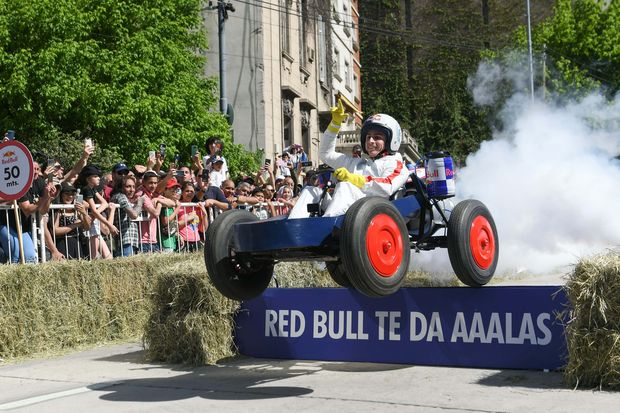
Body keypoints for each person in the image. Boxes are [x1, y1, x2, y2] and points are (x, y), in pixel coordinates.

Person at [289, 100, 410, 218]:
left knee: (345, 186)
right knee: (311, 190)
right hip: (348, 216)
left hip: (373, 216)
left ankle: (325, 231)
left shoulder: (396, 164)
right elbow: (326, 154)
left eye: (377, 137)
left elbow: (387, 186)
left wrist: (352, 178)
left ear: (391, 140)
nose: (371, 141)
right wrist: (335, 124)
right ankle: (293, 229)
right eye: (368, 137)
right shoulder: (357, 164)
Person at [51, 182, 91, 260]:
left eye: (72, 194)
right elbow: (55, 231)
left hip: (77, 244)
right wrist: (76, 225)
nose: (70, 196)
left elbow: (87, 227)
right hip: (62, 244)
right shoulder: (58, 210)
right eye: (67, 193)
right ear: (61, 195)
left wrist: (84, 213)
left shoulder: (77, 209)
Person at [110, 175, 144, 257]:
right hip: (125, 240)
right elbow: (134, 215)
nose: (132, 190)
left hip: (129, 240)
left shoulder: (121, 197)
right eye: (128, 186)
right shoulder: (120, 196)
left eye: (133, 186)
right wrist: (140, 202)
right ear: (120, 187)